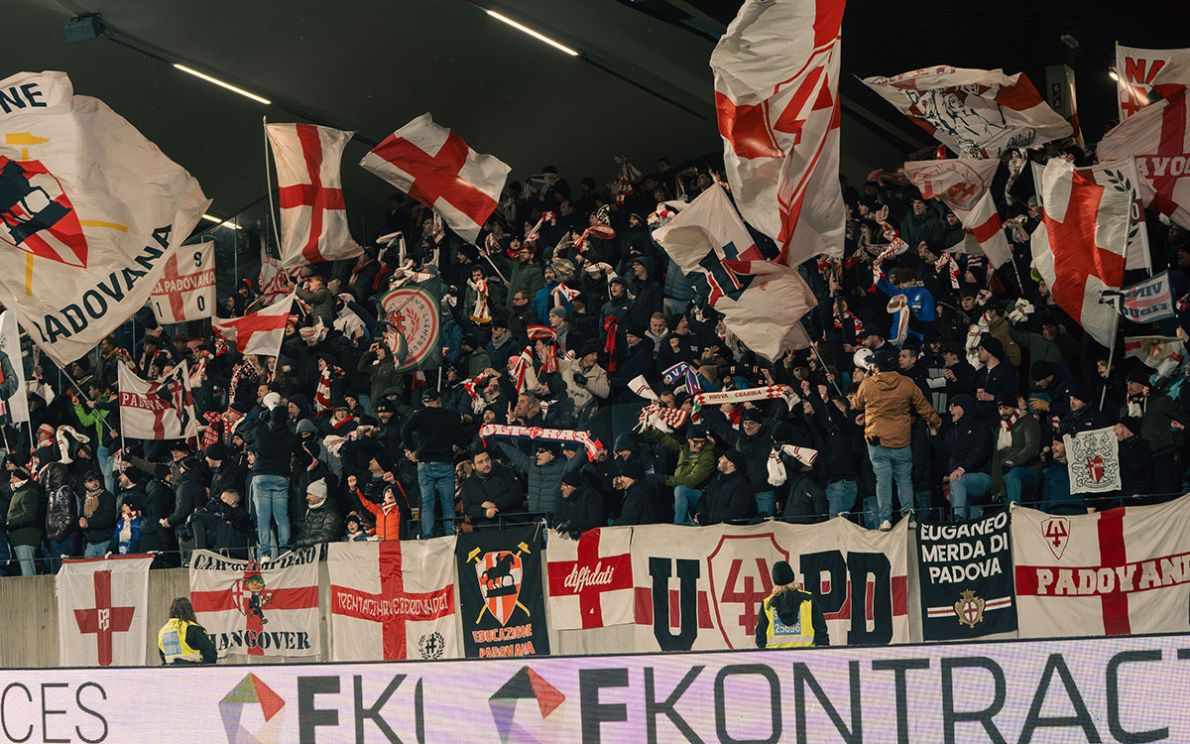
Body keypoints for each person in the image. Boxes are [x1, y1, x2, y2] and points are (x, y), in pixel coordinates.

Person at [849, 345, 942, 530]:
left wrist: (867, 378)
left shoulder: (868, 384)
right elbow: (924, 406)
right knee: (904, 479)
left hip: (876, 439)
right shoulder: (907, 382)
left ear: (877, 366)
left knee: (882, 480)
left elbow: (856, 404)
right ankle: (909, 516)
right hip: (901, 438)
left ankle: (885, 519)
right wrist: (937, 422)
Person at [401, 388, 467, 538]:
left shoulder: (420, 415)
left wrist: (412, 450)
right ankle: (450, 537)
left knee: (427, 504)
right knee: (447, 504)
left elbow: (405, 431)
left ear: (425, 402)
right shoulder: (450, 415)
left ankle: (428, 537)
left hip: (425, 464)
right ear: (439, 400)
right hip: (445, 463)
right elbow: (461, 439)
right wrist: (456, 448)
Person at [755, 561, 829, 648]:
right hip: (806, 657)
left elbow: (760, 639)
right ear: (792, 577)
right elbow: (821, 632)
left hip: (774, 659)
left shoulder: (767, 605)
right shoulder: (808, 600)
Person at [158, 597, 217, 665]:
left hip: (170, 673)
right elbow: (211, 654)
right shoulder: (193, 629)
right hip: (193, 672)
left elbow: (163, 656)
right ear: (190, 612)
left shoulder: (162, 631)